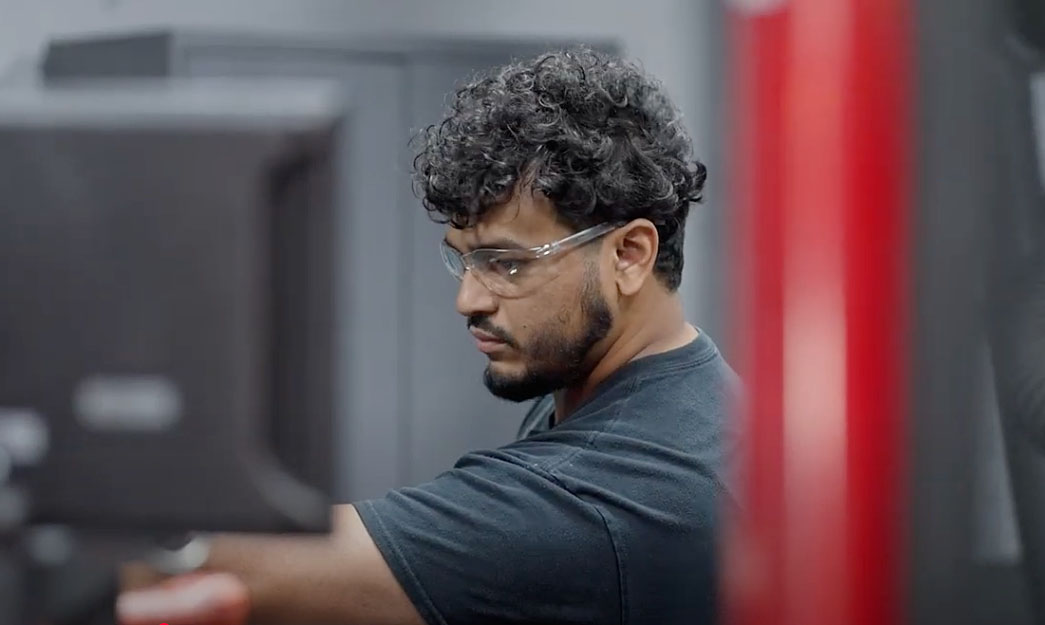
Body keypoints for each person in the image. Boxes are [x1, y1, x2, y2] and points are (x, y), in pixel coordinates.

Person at [116, 47, 739, 625]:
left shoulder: (609, 495)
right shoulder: (691, 392)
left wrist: (88, 541)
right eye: (463, 260)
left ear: (629, 254)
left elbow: (250, 569)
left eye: (507, 264)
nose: (469, 299)